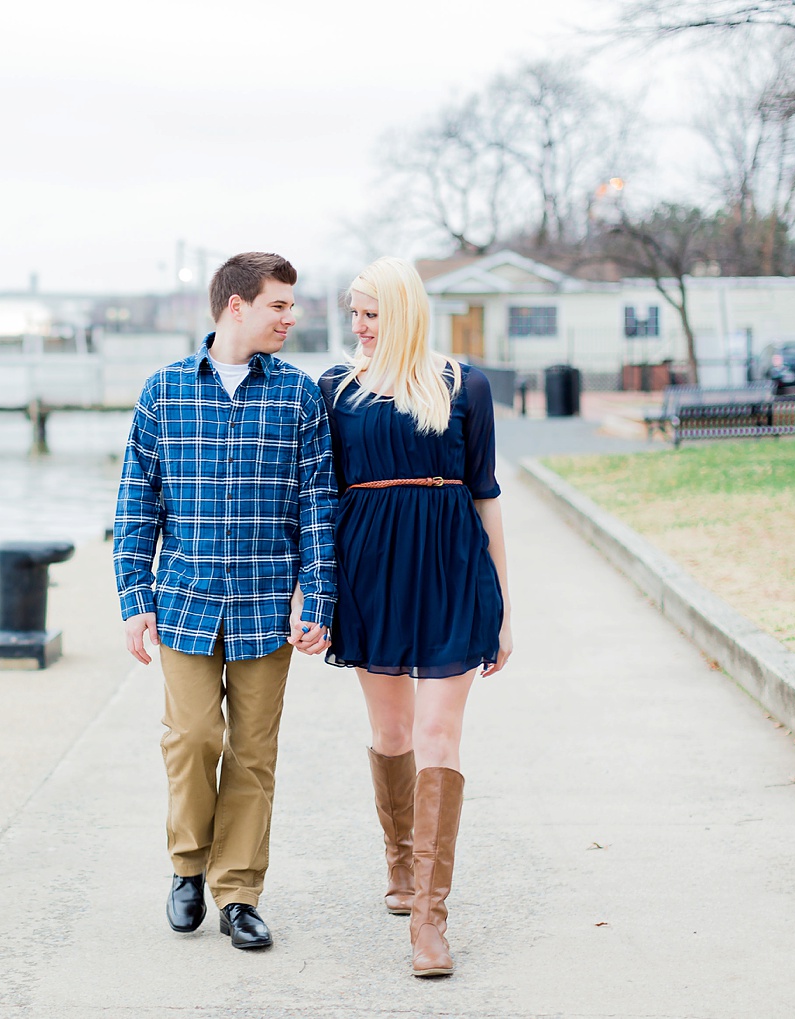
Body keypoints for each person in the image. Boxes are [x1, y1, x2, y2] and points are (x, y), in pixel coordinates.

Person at [114, 252, 336, 951]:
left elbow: (317, 504)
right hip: (183, 600)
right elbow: (136, 502)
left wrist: (316, 593)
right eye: (279, 304)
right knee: (193, 739)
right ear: (235, 305)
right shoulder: (164, 392)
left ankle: (238, 891)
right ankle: (187, 867)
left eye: (291, 304)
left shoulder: (299, 397)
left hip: (268, 605)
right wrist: (133, 597)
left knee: (252, 752)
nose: (290, 317)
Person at [319, 256, 511, 978]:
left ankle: (430, 920)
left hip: (452, 570)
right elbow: (321, 498)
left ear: (403, 311)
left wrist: (504, 601)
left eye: (371, 313)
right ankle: (400, 863)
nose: (360, 327)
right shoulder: (336, 389)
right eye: (354, 314)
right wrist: (317, 591)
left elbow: (486, 492)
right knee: (392, 730)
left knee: (438, 732)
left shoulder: (465, 385)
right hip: (370, 573)